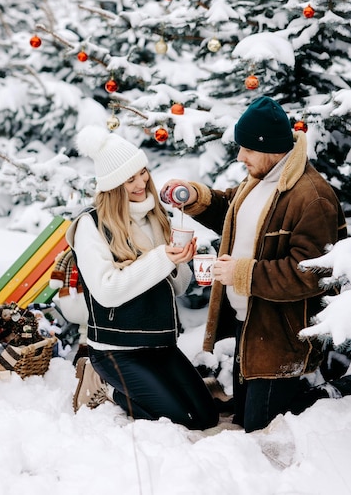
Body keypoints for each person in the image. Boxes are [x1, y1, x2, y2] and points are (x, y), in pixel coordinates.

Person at [162, 96, 350, 433]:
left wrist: (241, 273)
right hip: (250, 328)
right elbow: (233, 211)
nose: (240, 156)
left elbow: (311, 274)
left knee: (262, 428)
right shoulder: (262, 179)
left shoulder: (311, 197)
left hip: (281, 336)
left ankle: (332, 395)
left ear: (271, 148)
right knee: (245, 419)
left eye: (247, 148)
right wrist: (195, 196)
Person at [67, 124, 219, 431]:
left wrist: (179, 262)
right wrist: (162, 258)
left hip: (159, 344)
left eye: (142, 173)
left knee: (206, 417)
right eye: (129, 179)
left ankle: (130, 389)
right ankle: (106, 388)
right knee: (178, 422)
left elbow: (175, 288)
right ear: (111, 185)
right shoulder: (91, 225)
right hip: (117, 351)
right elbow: (107, 291)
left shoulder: (156, 216)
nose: (141, 183)